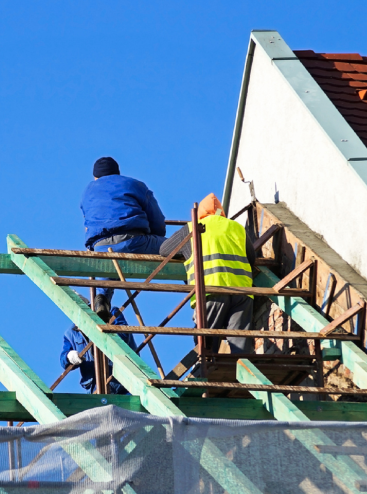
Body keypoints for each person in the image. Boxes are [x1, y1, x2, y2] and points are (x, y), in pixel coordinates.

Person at [159, 194, 256, 353]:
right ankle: (245, 372)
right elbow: (251, 258)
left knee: (205, 344)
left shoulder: (192, 228)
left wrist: (186, 252)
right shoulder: (237, 227)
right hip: (243, 293)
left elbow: (164, 251)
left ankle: (207, 370)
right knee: (241, 344)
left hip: (211, 291)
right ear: (221, 212)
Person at [81, 157, 167, 320]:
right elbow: (158, 222)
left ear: (95, 177)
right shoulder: (134, 184)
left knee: (108, 262)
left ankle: (102, 299)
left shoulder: (87, 191)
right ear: (117, 172)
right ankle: (199, 304)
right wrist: (155, 235)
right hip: (133, 241)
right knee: (181, 248)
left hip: (99, 246)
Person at [60, 307, 137, 394]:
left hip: (122, 384)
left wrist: (101, 330)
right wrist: (69, 357)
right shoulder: (71, 333)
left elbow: (123, 337)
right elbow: (63, 359)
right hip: (95, 388)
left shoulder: (111, 313)